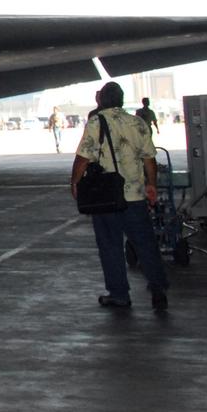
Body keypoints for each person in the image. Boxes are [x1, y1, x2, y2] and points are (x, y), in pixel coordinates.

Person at [70, 81, 168, 311]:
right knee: (146, 244)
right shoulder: (138, 122)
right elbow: (149, 159)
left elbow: (83, 157)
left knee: (110, 246)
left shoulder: (96, 122)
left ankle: (119, 294)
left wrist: (75, 182)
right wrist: (151, 184)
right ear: (121, 100)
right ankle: (158, 289)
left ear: (101, 100)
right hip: (134, 196)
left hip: (106, 197)